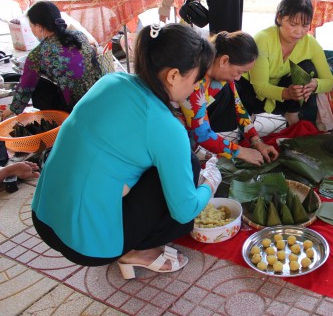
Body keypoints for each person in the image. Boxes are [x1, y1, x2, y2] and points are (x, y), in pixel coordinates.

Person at [31, 23, 219, 280]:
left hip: (43, 217)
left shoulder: (110, 81)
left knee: (162, 166)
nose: (196, 87)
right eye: (196, 79)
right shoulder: (166, 128)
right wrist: (209, 184)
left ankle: (120, 232)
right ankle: (136, 251)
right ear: (174, 75)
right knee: (189, 166)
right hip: (87, 248)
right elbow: (184, 211)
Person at [179, 31, 278, 166]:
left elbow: (238, 107)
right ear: (224, 60)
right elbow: (201, 133)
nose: (238, 78)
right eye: (239, 72)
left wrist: (257, 141)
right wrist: (241, 152)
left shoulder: (219, 74)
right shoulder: (195, 80)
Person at [237, 0, 333, 126]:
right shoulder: (263, 39)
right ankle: (250, 116)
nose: (299, 32)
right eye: (293, 24)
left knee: (307, 67)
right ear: (279, 18)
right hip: (253, 95)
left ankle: (292, 113)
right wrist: (287, 93)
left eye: (305, 25)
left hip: (282, 98)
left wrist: (315, 84)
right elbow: (260, 87)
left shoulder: (311, 44)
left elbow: (329, 81)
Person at [1, 1, 103, 119]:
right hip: (99, 94)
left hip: (77, 107)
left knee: (38, 85)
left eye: (31, 27)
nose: (32, 31)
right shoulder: (79, 35)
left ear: (39, 27)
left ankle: (61, 119)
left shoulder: (37, 54)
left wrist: (10, 111)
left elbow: (25, 88)